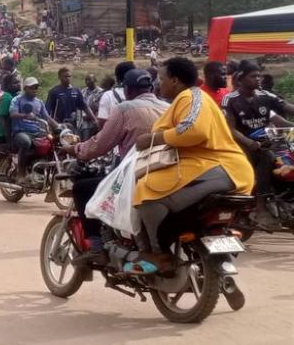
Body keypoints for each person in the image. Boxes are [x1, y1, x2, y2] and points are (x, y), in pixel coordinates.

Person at [130, 58, 254, 273]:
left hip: (219, 168)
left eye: (161, 79)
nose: (159, 84)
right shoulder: (188, 99)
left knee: (146, 191)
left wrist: (153, 138)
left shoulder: (191, 96)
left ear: (175, 80)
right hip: (207, 168)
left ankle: (158, 254)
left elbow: (193, 131)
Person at [62, 70, 169, 265]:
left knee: (82, 188)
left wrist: (76, 149)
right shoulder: (167, 107)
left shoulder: (124, 109)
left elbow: (99, 144)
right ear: (151, 88)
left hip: (135, 172)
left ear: (127, 90)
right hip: (167, 171)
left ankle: (96, 248)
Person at [222, 60, 294, 225]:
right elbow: (230, 129)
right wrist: (250, 143)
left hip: (268, 140)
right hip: (243, 145)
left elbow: (287, 110)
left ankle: (286, 198)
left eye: (259, 76)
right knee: (266, 156)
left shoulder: (265, 96)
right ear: (240, 79)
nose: (258, 79)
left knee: (290, 153)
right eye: (253, 76)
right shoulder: (230, 99)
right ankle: (260, 206)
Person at [10, 77, 58, 181]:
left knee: (51, 143)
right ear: (26, 88)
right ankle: (21, 173)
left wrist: (59, 127)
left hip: (37, 132)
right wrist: (24, 115)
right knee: (26, 142)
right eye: (32, 87)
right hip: (21, 131)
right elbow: (12, 114)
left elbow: (47, 118)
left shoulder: (39, 102)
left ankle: (41, 168)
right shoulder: (17, 99)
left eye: (36, 87)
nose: (35, 89)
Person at [0, 74, 21, 175]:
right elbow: (4, 118)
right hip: (2, 130)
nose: (18, 85)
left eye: (18, 82)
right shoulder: (7, 97)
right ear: (8, 85)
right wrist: (9, 136)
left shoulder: (13, 96)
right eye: (15, 83)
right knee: (5, 151)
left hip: (4, 129)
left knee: (2, 153)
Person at [96, 61, 135, 129]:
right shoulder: (142, 95)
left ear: (117, 78)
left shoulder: (108, 96)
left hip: (113, 137)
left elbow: (102, 123)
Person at [79, 74, 103, 140]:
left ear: (95, 80)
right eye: (86, 80)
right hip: (82, 123)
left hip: (94, 123)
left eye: (89, 80)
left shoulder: (100, 92)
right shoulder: (83, 91)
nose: (87, 82)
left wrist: (88, 115)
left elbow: (97, 107)